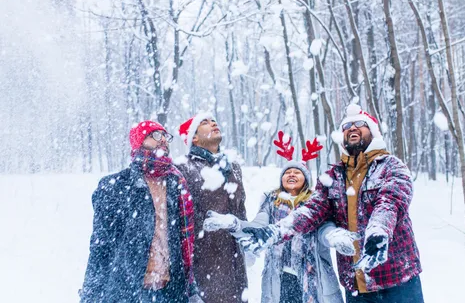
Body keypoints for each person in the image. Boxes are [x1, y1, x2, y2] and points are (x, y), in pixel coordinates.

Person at [240, 104, 424, 303]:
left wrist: (379, 230)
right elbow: (311, 211)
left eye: (360, 124)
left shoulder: (391, 166)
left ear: (373, 131)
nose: (352, 128)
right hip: (355, 284)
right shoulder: (332, 177)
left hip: (396, 278)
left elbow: (391, 201)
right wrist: (277, 231)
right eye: (347, 126)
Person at [203, 132, 356, 303]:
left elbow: (324, 230)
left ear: (305, 179)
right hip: (279, 282)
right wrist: (234, 224)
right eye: (287, 172)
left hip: (313, 279)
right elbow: (258, 226)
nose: (291, 175)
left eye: (297, 172)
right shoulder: (271, 202)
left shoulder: (316, 204)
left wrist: (333, 236)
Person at [80, 120, 202, 303]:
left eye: (165, 136)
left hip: (170, 292)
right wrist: (90, 295)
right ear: (139, 141)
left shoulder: (175, 184)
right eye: (155, 135)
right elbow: (100, 247)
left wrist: (190, 289)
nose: (163, 140)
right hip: (129, 292)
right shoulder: (115, 186)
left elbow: (181, 245)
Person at [176, 113, 247, 303]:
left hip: (235, 263)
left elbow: (241, 210)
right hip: (204, 263)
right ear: (194, 138)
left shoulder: (232, 167)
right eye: (205, 123)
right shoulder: (183, 168)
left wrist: (244, 232)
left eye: (214, 120)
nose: (213, 123)